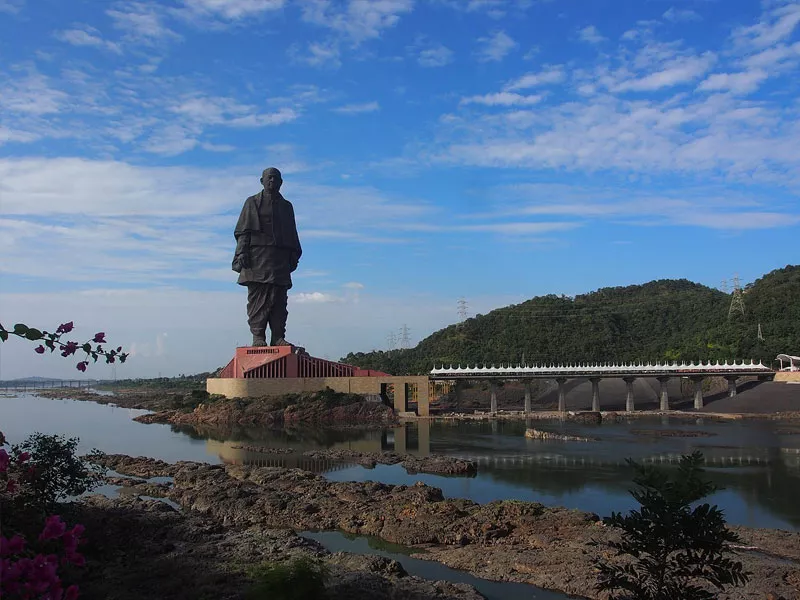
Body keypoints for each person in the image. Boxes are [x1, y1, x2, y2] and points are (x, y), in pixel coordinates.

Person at [232, 167, 302, 347]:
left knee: (279, 299)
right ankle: (258, 336)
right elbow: (243, 231)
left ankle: (278, 336)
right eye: (269, 178)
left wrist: (293, 254)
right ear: (261, 181)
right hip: (257, 257)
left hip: (279, 258)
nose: (272, 181)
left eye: (276, 179)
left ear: (281, 182)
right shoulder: (252, 202)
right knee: (258, 299)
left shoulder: (286, 206)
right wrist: (241, 252)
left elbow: (292, 232)